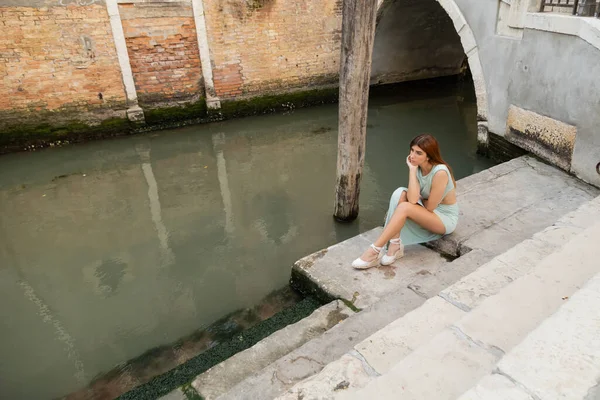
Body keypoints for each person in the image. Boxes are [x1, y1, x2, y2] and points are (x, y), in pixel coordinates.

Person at [352, 134, 459, 269]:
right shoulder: (418, 167)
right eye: (412, 150)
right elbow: (414, 199)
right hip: (430, 212)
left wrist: (421, 199)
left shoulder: (440, 172)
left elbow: (431, 206)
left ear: (429, 156)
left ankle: (374, 250)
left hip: (444, 218)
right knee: (399, 193)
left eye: (418, 153)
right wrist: (412, 170)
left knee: (404, 207)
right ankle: (395, 245)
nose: (412, 156)